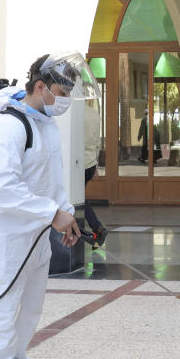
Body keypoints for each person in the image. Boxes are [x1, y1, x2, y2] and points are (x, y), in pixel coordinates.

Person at [0, 52, 95, 359]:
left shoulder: (45, 124)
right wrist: (50, 213)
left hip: (33, 235)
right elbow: (2, 188)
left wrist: (66, 215)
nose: (66, 100)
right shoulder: (8, 127)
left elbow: (51, 182)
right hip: (0, 237)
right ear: (40, 87)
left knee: (30, 307)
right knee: (0, 311)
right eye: (62, 91)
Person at [83, 98, 108, 248]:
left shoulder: (72, 114)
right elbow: (98, 142)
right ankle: (96, 231)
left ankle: (97, 229)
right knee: (78, 198)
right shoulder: (93, 113)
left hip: (78, 163)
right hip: (90, 162)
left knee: (75, 199)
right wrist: (96, 163)